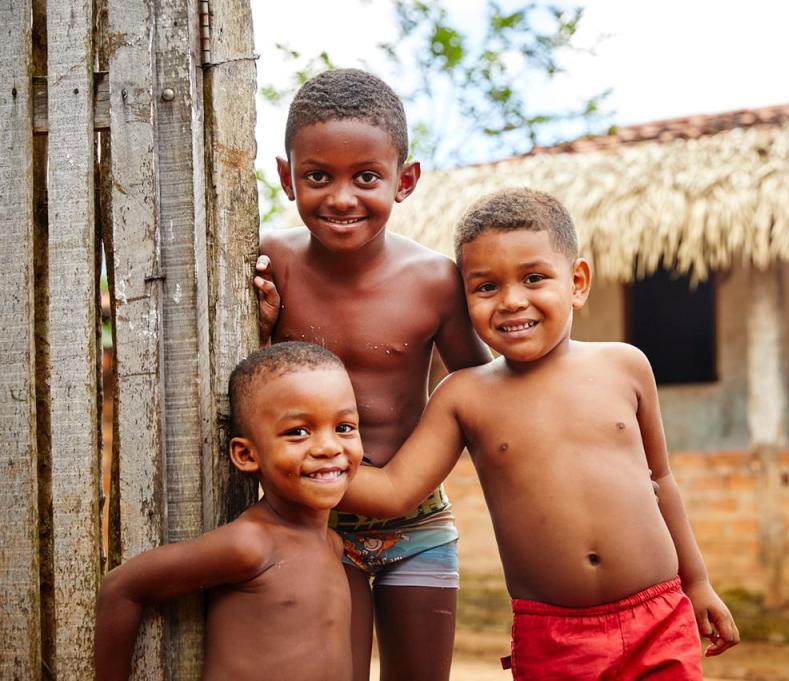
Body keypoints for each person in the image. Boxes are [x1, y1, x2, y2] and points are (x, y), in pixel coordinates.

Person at [340, 188, 740, 680]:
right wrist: (296, 463)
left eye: (534, 278)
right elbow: (394, 489)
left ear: (577, 282)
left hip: (658, 616)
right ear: (464, 299)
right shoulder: (465, 396)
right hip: (553, 636)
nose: (511, 301)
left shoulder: (626, 366)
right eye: (486, 287)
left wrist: (697, 583)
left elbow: (661, 481)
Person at [252, 68, 492, 681]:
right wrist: (258, 327)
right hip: (316, 525)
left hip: (421, 525)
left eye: (366, 177)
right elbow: (249, 380)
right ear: (286, 178)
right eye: (316, 176)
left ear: (404, 181)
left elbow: (482, 392)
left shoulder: (435, 281)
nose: (341, 198)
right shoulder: (269, 263)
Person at [94, 342, 364, 681]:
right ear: (247, 455)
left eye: (344, 427)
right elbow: (122, 587)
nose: (328, 447)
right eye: (298, 432)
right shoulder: (251, 544)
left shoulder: (332, 545)